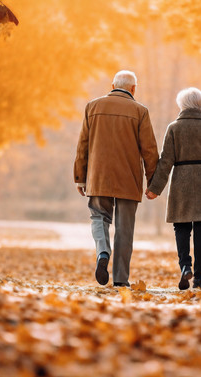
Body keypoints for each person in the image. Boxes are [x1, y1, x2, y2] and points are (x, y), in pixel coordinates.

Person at [73, 70, 159, 287]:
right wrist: (153, 183)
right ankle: (121, 279)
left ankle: (103, 252)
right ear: (133, 89)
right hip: (128, 179)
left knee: (98, 217)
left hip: (98, 176)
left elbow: (83, 144)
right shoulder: (140, 111)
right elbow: (149, 150)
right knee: (124, 228)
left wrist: (80, 177)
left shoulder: (92, 107)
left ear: (112, 86)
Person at [145, 87, 201, 290]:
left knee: (181, 226)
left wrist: (155, 188)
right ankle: (199, 278)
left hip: (181, 181)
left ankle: (185, 266)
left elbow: (166, 161)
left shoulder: (174, 128)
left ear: (182, 105)